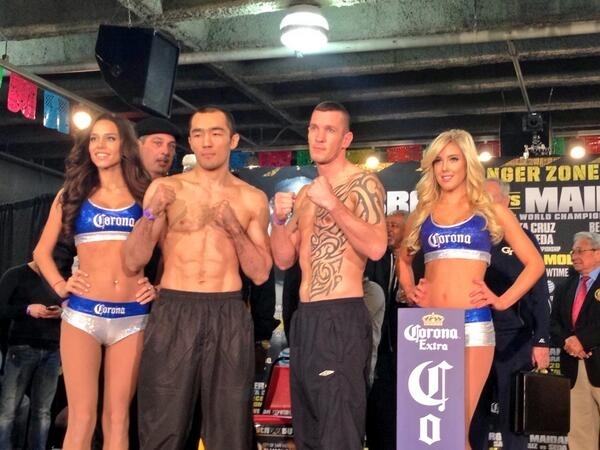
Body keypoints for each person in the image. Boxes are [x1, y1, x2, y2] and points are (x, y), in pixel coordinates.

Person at [123, 105, 272, 450]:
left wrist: (234, 228)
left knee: (229, 432)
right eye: (198, 134)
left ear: (233, 140)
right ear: (190, 141)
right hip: (175, 309)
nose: (207, 142)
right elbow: (133, 260)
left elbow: (261, 272)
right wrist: (150, 213)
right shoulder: (165, 189)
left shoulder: (251, 198)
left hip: (228, 312)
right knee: (162, 426)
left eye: (216, 133)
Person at [398, 129, 545, 450]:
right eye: (438, 160)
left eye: (453, 159)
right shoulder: (423, 211)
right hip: (428, 327)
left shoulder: (490, 211)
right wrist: (409, 290)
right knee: (428, 437)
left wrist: (502, 300)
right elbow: (403, 259)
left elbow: (535, 264)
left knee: (454, 430)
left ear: (468, 163)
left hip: (472, 325)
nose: (445, 167)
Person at [32, 113, 155, 450]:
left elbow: (170, 249)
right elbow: (41, 252)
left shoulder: (145, 196)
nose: (100, 145)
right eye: (94, 139)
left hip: (131, 317)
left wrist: (157, 287)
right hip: (83, 317)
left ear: (124, 145)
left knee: (118, 418)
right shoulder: (72, 194)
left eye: (110, 138)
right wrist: (61, 287)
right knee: (81, 418)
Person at [270, 101, 387, 450]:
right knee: (308, 432)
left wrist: (333, 204)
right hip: (305, 320)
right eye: (314, 128)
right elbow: (284, 258)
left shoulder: (363, 182)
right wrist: (278, 221)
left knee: (339, 433)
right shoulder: (307, 193)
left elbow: (377, 247)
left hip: (341, 317)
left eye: (329, 130)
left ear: (346, 139)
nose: (319, 137)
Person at [470, 177, 551, 450]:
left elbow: (540, 292)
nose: (484, 206)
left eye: (490, 199)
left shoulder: (522, 238)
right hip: (474, 333)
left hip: (513, 338)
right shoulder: (472, 238)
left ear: (505, 202)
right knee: (473, 413)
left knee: (513, 416)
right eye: (479, 200)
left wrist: (541, 340)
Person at [0, 241, 72, 450]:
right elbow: (2, 309)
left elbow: (71, 307)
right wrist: (27, 310)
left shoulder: (59, 280)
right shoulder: (15, 275)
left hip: (51, 350)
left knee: (42, 411)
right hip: (22, 347)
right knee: (9, 410)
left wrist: (61, 313)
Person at [550, 231, 600, 450]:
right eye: (573, 251)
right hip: (573, 368)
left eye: (580, 251)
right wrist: (569, 342)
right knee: (580, 432)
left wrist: (583, 341)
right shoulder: (565, 287)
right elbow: (553, 323)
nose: (574, 256)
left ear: (598, 253)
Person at [364, 209, 408, 450]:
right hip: (378, 349)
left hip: (408, 349)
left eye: (395, 226)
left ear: (409, 231)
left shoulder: (416, 260)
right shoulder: (374, 258)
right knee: (378, 413)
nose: (389, 229)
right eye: (387, 225)